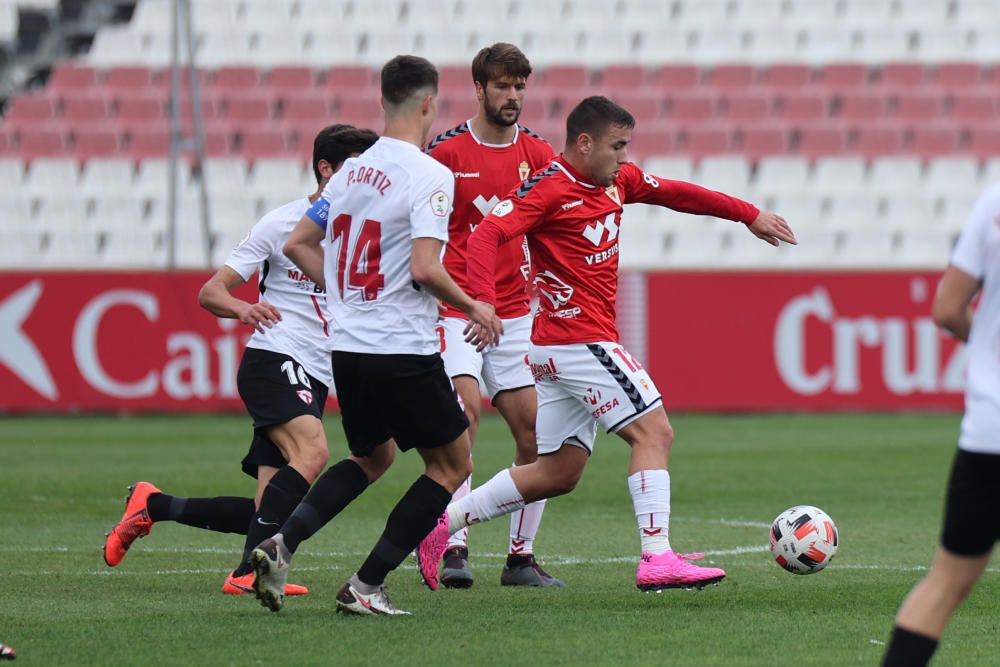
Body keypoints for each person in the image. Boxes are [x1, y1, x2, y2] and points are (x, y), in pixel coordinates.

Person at [418, 96, 796, 592]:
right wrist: (483, 303)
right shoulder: (550, 188)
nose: (624, 157)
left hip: (554, 350)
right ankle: (657, 556)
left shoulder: (618, 180)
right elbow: (487, 234)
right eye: (617, 146)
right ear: (584, 142)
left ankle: (444, 521)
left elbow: (678, 193)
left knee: (557, 472)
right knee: (654, 433)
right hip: (578, 341)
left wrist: (747, 215)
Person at [250, 54, 503, 617]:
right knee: (452, 464)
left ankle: (281, 542)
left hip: (348, 348)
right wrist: (475, 307)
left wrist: (342, 296)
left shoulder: (351, 173)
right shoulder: (429, 174)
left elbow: (297, 243)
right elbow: (424, 269)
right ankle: (365, 586)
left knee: (372, 457)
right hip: (400, 347)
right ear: (429, 104)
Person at [102, 125, 380, 597]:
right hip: (275, 358)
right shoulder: (284, 224)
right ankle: (250, 575)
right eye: (356, 168)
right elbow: (212, 291)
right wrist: (244, 309)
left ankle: (153, 506)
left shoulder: (366, 233)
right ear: (326, 169)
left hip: (317, 373)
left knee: (266, 512)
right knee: (314, 452)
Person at [423, 43, 561, 588]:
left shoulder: (540, 155)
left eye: (520, 86)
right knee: (464, 420)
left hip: (514, 315)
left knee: (537, 433)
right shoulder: (446, 154)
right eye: (502, 86)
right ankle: (453, 545)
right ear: (478, 89)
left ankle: (520, 559)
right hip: (456, 310)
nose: (512, 96)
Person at [882, 183, 999, 666]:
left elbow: (948, 309)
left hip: (991, 432)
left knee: (945, 583)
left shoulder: (995, 200)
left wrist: (988, 351)